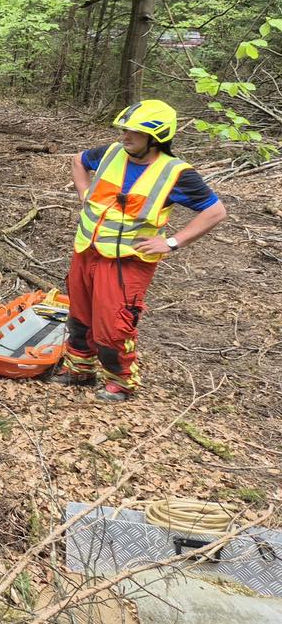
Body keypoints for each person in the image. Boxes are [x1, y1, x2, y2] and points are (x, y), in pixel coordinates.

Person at [56, 99, 227, 401]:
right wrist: (84, 193)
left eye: (134, 132)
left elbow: (215, 212)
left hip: (127, 262)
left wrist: (172, 242)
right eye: (124, 130)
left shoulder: (175, 173)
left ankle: (120, 381)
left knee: (113, 324)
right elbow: (78, 160)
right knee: (80, 315)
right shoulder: (110, 153)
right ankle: (79, 369)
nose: (125, 136)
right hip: (87, 249)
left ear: (155, 137)